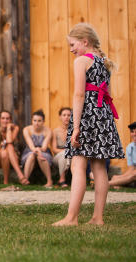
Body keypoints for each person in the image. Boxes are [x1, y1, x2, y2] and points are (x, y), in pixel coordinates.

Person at [53, 23, 124, 226]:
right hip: (103, 115)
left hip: (87, 114)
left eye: (73, 44)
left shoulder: (81, 61)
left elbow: (79, 93)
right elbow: (108, 93)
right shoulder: (104, 61)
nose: (71, 49)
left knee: (78, 163)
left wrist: (76, 127)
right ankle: (97, 218)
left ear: (85, 41)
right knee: (100, 167)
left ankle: (71, 217)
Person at [0, 110, 29, 185]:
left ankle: (6, 182)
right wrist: (2, 148)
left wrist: (8, 129)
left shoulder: (15, 128)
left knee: (8, 148)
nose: (5, 120)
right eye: (3, 118)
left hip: (14, 156)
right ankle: (20, 175)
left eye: (7, 118)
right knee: (5, 152)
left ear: (10, 120)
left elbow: (9, 140)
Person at [21, 110, 53, 188]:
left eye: (39, 121)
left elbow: (44, 147)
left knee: (41, 157)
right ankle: (25, 179)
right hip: (29, 151)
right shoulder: (26, 130)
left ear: (43, 121)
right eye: (34, 120)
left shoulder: (48, 131)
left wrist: (39, 152)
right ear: (32, 121)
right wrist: (37, 151)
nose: (37, 123)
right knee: (31, 155)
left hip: (44, 151)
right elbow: (31, 146)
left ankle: (49, 181)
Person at [108, 122, 136, 188]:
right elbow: (131, 169)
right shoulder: (130, 147)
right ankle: (115, 183)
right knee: (115, 177)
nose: (134, 134)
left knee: (134, 174)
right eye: (132, 132)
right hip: (134, 174)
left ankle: (104, 185)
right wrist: (119, 178)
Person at [51, 107, 72, 188]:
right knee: (64, 155)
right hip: (58, 156)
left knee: (70, 156)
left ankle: (66, 180)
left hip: (72, 155)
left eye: (69, 115)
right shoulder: (55, 131)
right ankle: (62, 179)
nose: (66, 117)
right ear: (60, 117)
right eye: (64, 115)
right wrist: (66, 151)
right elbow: (54, 149)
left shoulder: (74, 130)